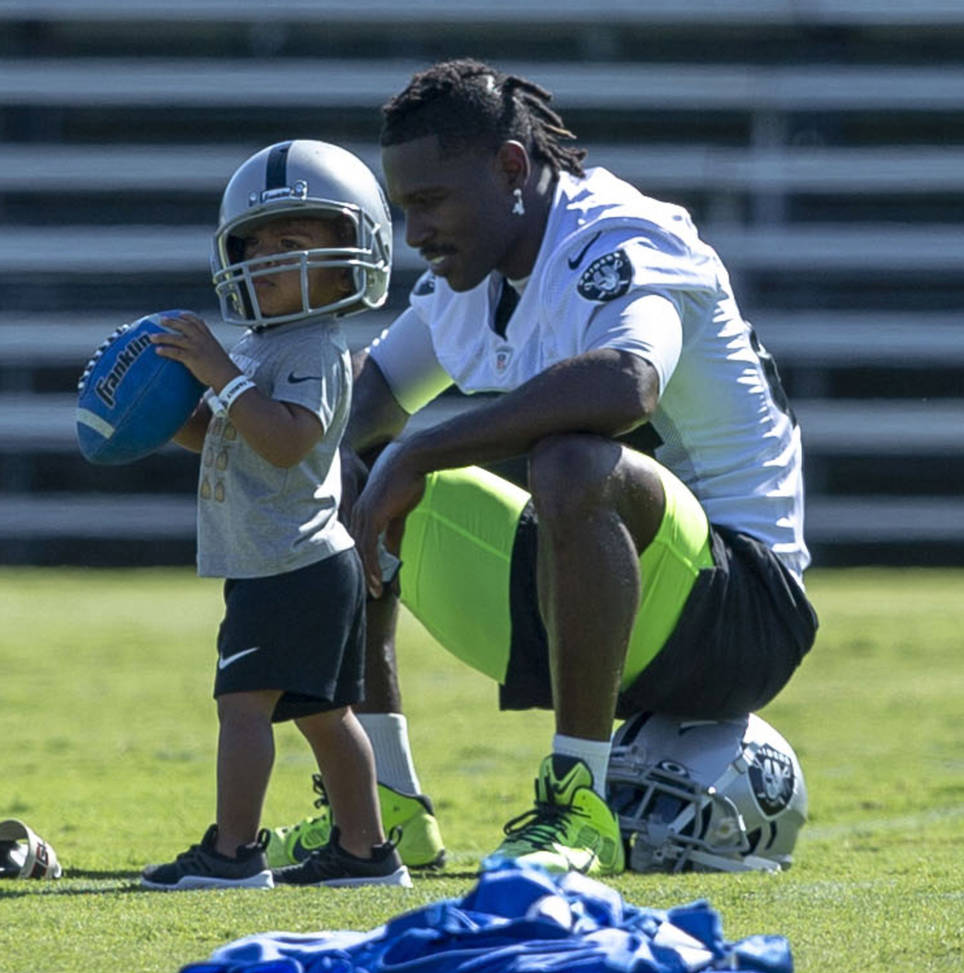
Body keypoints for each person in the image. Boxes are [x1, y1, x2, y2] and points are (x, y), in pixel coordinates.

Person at [284, 58, 818, 878]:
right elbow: (374, 396)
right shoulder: (472, 268)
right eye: (404, 208)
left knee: (573, 459)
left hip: (741, 608)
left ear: (509, 168)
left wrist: (420, 448)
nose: (415, 231)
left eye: (430, 202)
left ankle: (578, 801)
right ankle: (381, 810)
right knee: (342, 472)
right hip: (588, 604)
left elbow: (627, 383)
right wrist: (251, 425)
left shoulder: (621, 236)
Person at [139, 139, 410, 890]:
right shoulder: (263, 347)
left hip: (289, 562)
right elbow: (234, 432)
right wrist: (163, 414)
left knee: (242, 709)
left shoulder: (313, 348)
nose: (265, 261)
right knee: (326, 715)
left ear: (352, 252)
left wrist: (221, 376)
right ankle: (366, 852)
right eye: (254, 246)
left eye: (291, 245)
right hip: (289, 560)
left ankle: (233, 854)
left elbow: (288, 441)